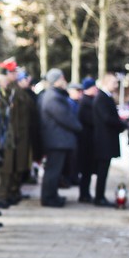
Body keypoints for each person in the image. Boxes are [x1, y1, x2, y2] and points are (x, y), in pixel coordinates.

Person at [38, 68, 82, 207]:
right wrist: (78, 126)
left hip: (58, 140)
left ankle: (52, 195)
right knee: (53, 171)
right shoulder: (53, 97)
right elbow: (65, 117)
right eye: (62, 79)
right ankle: (48, 198)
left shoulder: (54, 95)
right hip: (56, 140)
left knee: (55, 171)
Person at [92, 72, 127, 207]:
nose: (116, 85)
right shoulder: (101, 98)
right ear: (106, 82)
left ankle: (100, 196)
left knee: (104, 170)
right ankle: (99, 197)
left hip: (106, 139)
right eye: (114, 82)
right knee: (102, 171)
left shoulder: (105, 97)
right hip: (103, 140)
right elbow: (107, 118)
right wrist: (122, 124)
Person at [77, 77, 98, 202]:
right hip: (86, 142)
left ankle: (85, 193)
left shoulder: (87, 101)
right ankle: (84, 194)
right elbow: (90, 120)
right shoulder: (86, 102)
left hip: (87, 141)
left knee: (87, 171)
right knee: (86, 171)